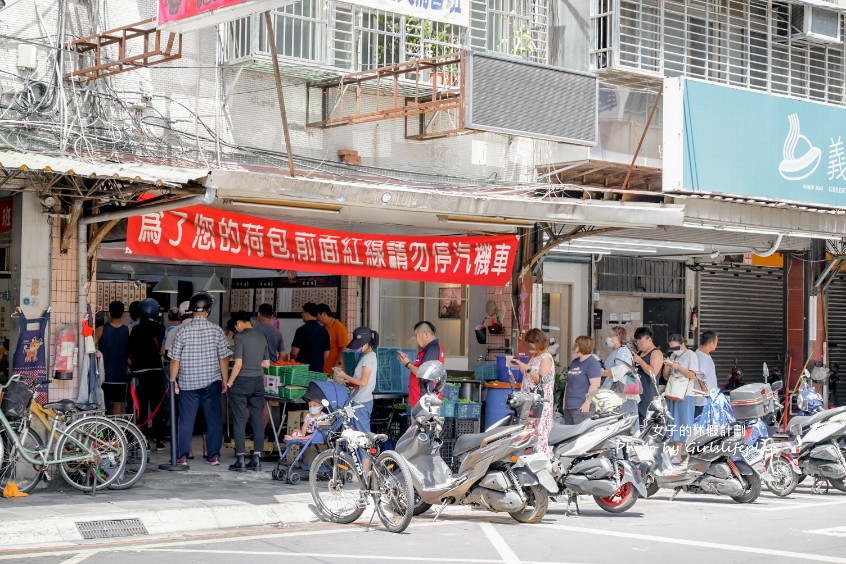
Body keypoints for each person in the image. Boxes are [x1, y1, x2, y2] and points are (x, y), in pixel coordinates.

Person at [169, 292, 231, 467]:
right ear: (208, 310)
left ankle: (181, 456)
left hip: (188, 382)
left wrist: (173, 380)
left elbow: (175, 359)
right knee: (213, 419)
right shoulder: (217, 330)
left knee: (186, 420)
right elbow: (224, 358)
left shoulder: (183, 331)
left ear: (191, 310)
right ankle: (213, 456)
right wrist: (225, 380)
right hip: (211, 381)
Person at [225, 311, 270, 472]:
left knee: (239, 420)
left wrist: (229, 383)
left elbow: (238, 364)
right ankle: (257, 459)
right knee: (257, 419)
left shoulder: (240, 337)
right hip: (258, 382)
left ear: (239, 323)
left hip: (241, 382)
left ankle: (241, 459)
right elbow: (266, 364)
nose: (236, 330)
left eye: (236, 327)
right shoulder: (261, 336)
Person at [335, 326, 378, 471]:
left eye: (360, 345)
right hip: (359, 402)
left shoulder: (368, 358)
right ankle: (361, 472)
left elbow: (363, 383)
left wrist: (344, 376)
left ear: (367, 343)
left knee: (363, 438)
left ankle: (366, 473)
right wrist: (349, 381)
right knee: (358, 437)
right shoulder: (368, 357)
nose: (358, 348)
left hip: (362, 404)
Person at [128, 298, 167, 450]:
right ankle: (159, 439)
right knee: (157, 406)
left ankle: (141, 439)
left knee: (140, 407)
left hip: (139, 373)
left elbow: (130, 350)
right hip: (156, 371)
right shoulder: (160, 328)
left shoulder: (136, 329)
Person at [511, 329, 554, 458]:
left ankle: (543, 461)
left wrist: (527, 369)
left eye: (532, 343)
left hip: (539, 402)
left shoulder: (546, 358)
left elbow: (542, 380)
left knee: (539, 433)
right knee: (528, 431)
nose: (530, 347)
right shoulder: (535, 356)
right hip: (529, 401)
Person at [663, 334, 700, 464]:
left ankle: (691, 455)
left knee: (685, 424)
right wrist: (667, 365)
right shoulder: (673, 355)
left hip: (686, 394)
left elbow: (694, 376)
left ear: (683, 343)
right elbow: (666, 376)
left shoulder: (691, 355)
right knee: (674, 424)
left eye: (676, 347)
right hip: (673, 393)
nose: (674, 350)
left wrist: (677, 367)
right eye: (672, 348)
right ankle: (677, 455)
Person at [600, 325, 639, 434]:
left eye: (610, 335)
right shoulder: (616, 352)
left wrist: (603, 372)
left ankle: (622, 451)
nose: (608, 338)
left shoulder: (622, 351)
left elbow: (620, 370)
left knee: (621, 428)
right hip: (619, 395)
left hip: (621, 395)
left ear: (618, 337)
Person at [396, 321, 444, 407]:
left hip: (425, 401)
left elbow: (423, 373)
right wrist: (408, 361)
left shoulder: (432, 349)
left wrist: (408, 363)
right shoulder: (428, 349)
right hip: (421, 400)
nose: (416, 339)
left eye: (417, 336)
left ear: (426, 334)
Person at [97, 301, 129, 415]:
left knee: (102, 404)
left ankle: (103, 431)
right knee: (117, 404)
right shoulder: (129, 331)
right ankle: (115, 431)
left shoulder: (100, 330)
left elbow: (92, 349)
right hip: (120, 374)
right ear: (123, 314)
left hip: (103, 374)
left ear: (108, 313)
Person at [562, 336, 602, 424]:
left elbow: (595, 385)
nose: (574, 345)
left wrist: (587, 403)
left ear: (582, 346)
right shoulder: (574, 362)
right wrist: (564, 402)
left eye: (576, 343)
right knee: (569, 435)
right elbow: (568, 383)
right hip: (569, 406)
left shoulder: (592, 363)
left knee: (580, 435)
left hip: (582, 406)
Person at [633, 326, 663, 425]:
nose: (639, 345)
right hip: (636, 396)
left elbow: (653, 373)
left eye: (641, 342)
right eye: (637, 342)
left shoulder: (656, 353)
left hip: (649, 397)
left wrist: (640, 361)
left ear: (649, 339)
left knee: (649, 428)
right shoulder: (639, 353)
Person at [290, 302, 330, 373]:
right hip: (318, 370)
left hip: (302, 370)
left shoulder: (301, 330)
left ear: (307, 313)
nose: (301, 315)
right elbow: (326, 355)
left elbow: (294, 353)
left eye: (302, 313)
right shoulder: (325, 331)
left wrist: (292, 361)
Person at [317, 304, 350, 375]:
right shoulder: (322, 328)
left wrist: (339, 364)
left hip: (335, 370)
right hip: (323, 369)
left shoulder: (339, 326)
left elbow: (344, 347)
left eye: (317, 315)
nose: (316, 318)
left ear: (323, 314)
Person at [694, 330, 719, 419]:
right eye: (716, 342)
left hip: (706, 400)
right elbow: (700, 378)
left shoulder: (704, 355)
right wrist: (707, 396)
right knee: (701, 430)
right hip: (702, 402)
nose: (717, 344)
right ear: (711, 343)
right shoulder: (701, 358)